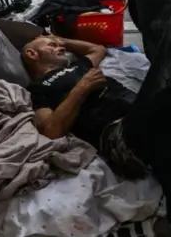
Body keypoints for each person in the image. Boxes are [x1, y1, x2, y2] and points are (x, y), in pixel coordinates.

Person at [23, 35, 148, 179]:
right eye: (52, 45)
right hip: (116, 131)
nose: (61, 48)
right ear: (32, 54)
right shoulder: (37, 89)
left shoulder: (78, 66)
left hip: (138, 107)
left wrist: (62, 40)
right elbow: (51, 131)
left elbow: (98, 50)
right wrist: (82, 88)